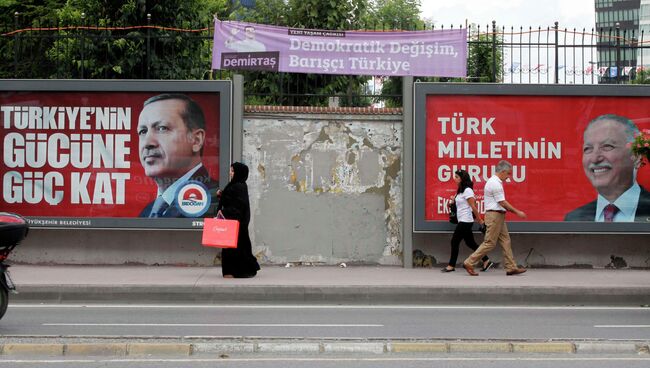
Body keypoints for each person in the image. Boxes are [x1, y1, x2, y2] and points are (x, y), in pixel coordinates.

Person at [137, 94, 219, 218]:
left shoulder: (214, 201)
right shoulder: (147, 212)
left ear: (196, 140)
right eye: (143, 131)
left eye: (162, 128)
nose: (148, 143)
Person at [565, 114, 650, 222]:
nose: (595, 159)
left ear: (636, 157)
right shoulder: (574, 219)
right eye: (588, 149)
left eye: (607, 146)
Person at [463, 160, 527, 276]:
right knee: (490, 243)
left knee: (505, 241)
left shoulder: (495, 182)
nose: (509, 177)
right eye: (508, 174)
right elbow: (502, 202)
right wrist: (518, 212)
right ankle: (469, 262)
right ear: (503, 172)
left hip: (498, 216)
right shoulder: (495, 183)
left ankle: (511, 267)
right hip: (495, 216)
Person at [441, 170, 494, 273]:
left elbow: (473, 207)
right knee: (470, 243)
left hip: (466, 221)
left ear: (462, 179)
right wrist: (453, 202)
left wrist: (480, 220)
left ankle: (451, 265)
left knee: (454, 241)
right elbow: (460, 205)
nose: (454, 178)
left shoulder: (468, 190)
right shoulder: (460, 191)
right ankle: (486, 260)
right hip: (462, 220)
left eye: (456, 177)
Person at [216, 162, 260, 278]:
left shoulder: (238, 186)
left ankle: (235, 272)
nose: (230, 172)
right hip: (234, 223)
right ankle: (232, 272)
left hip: (236, 225)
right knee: (234, 248)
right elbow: (232, 199)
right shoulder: (236, 184)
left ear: (239, 173)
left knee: (234, 249)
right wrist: (222, 195)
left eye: (233, 170)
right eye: (231, 170)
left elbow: (238, 207)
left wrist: (224, 213)